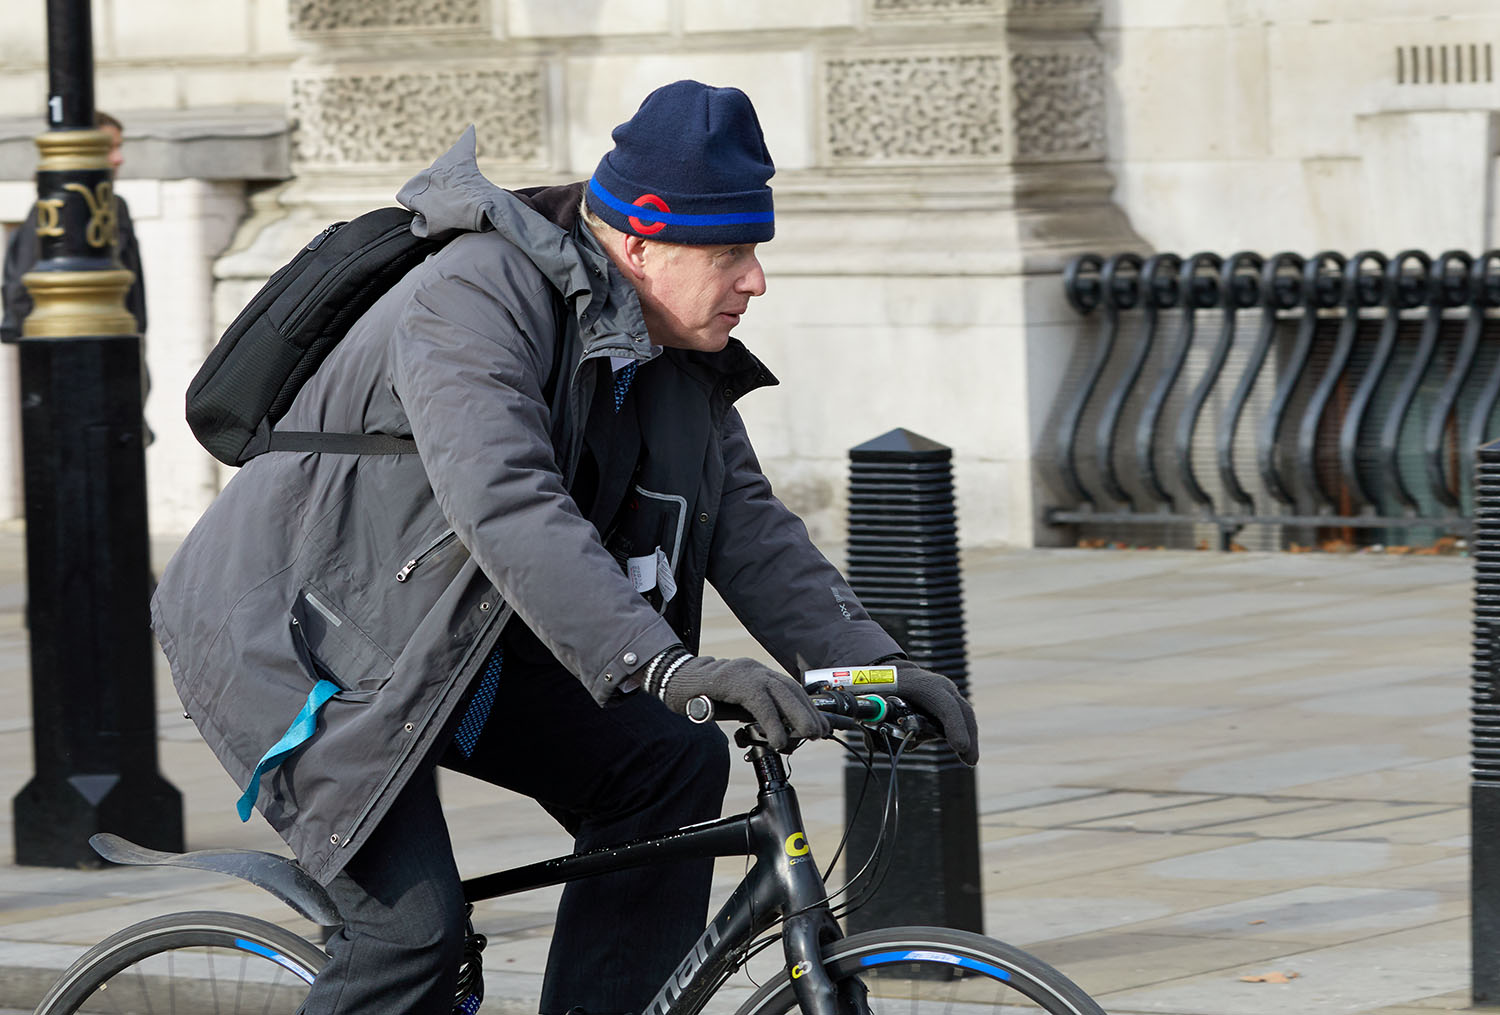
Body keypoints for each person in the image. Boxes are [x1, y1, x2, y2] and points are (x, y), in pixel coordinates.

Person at [150, 80, 979, 1015]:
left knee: (671, 764)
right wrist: (658, 664)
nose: (756, 280)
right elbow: (506, 500)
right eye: (732, 252)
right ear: (637, 240)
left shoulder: (671, 349)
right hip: (300, 646)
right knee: (408, 933)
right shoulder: (472, 296)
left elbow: (747, 523)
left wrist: (873, 667)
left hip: (450, 642)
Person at [1, 110, 147, 342]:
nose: (119, 158)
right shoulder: (49, 208)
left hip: (119, 344)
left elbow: (134, 288)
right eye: (110, 148)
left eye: (119, 147)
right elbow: (21, 291)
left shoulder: (116, 207)